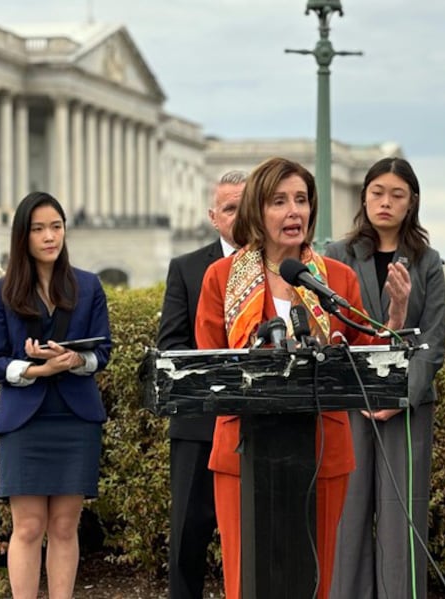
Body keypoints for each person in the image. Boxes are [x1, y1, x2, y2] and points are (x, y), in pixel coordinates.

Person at [194, 156, 411, 599]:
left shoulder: (336, 279)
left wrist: (395, 314)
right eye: (279, 201)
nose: (294, 212)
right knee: (245, 576)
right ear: (258, 210)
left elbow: (364, 362)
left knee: (315, 577)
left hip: (322, 447)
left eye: (301, 200)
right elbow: (208, 363)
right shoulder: (220, 277)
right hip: (242, 449)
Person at [0, 191, 112, 599]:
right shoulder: (3, 291)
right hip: (25, 420)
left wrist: (73, 361)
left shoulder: (88, 286)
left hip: (76, 418)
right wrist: (37, 369)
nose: (50, 236)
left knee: (63, 527)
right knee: (30, 526)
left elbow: (102, 352)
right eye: (39, 229)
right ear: (23, 236)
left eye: (56, 226)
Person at [326, 157, 445, 599]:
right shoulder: (337, 255)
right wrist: (356, 388)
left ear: (412, 202)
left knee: (402, 518)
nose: (386, 202)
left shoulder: (427, 262)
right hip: (350, 401)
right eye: (377, 192)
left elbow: (433, 341)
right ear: (364, 197)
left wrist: (400, 394)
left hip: (407, 408)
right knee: (348, 512)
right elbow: (332, 330)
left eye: (397, 195)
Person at [157, 170, 246, 599]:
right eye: (230, 208)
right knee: (189, 541)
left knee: (254, 539)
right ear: (214, 216)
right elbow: (171, 347)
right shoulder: (187, 269)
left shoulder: (284, 269)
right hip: (199, 429)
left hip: (262, 426)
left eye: (246, 206)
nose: (239, 216)